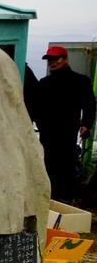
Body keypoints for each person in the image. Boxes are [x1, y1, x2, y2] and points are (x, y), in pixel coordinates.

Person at [35, 46, 97, 200]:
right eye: (49, 60)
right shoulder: (44, 83)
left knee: (65, 169)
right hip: (47, 136)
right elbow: (37, 108)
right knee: (47, 168)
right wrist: (40, 125)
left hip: (67, 134)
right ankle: (49, 200)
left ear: (65, 59)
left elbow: (89, 105)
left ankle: (64, 202)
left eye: (56, 59)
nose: (52, 62)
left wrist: (86, 124)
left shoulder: (80, 81)